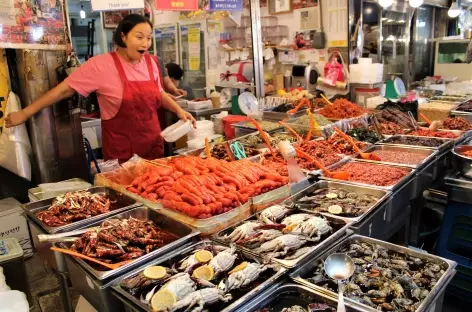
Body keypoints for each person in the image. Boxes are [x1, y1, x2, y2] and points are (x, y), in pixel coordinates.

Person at [5, 14, 196, 162]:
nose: (146, 43)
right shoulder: (101, 65)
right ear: (123, 36)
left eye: (148, 38)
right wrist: (25, 113)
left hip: (153, 149)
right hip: (123, 156)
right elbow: (64, 90)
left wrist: (179, 111)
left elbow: (159, 93)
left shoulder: (151, 63)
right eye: (139, 37)